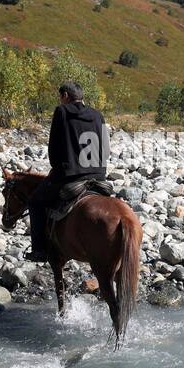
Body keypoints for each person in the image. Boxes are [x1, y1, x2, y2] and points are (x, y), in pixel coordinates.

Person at [26, 81, 107, 262]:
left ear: (65, 96)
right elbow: (105, 148)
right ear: (82, 96)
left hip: (71, 175)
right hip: (98, 175)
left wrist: (57, 169)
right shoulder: (97, 115)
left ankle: (39, 250)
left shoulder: (61, 111)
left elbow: (54, 147)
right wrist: (100, 171)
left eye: (60, 98)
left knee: (35, 202)